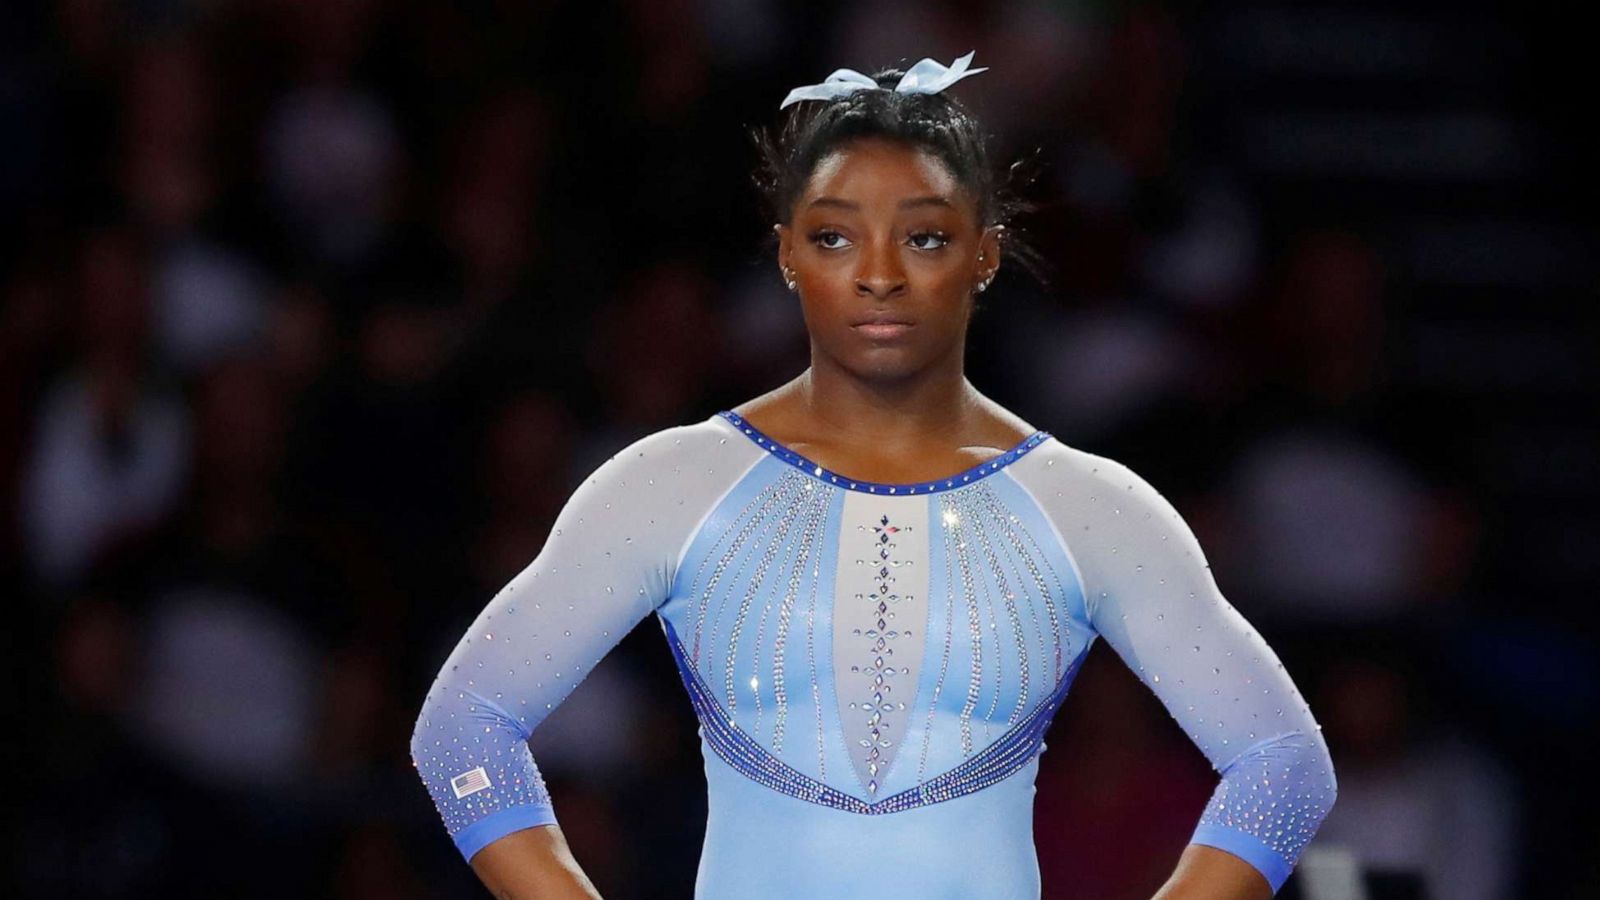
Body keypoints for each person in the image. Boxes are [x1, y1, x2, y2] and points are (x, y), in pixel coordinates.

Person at [410, 51, 1337, 899]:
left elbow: (1285, 764)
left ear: (985, 253)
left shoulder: (1091, 509)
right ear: (786, 253)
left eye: (925, 238)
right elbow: (462, 728)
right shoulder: (673, 484)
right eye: (836, 237)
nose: (880, 276)